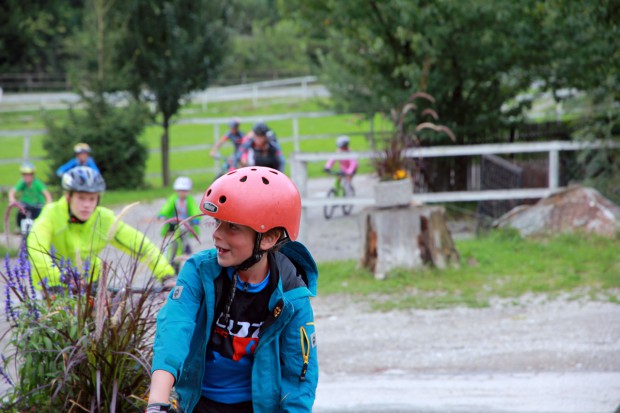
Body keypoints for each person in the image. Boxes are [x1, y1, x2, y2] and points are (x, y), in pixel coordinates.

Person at [147, 166, 318, 413]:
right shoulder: (199, 271)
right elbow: (174, 328)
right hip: (199, 403)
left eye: (233, 227)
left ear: (268, 238)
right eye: (218, 223)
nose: (216, 235)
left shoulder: (293, 296)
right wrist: (157, 404)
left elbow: (300, 377)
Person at [27, 166, 175, 292]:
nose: (87, 205)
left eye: (92, 199)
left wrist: (165, 275)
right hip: (54, 285)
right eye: (81, 198)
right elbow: (36, 248)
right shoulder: (50, 215)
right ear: (68, 196)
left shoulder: (103, 219)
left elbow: (139, 244)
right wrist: (62, 277)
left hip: (91, 282)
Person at [157, 176, 202, 270]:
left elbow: (194, 209)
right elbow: (167, 207)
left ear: (188, 191)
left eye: (185, 191)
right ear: (176, 190)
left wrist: (195, 219)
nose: (182, 193)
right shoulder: (174, 199)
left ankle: (186, 248)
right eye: (180, 190)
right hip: (174, 223)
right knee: (171, 241)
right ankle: (170, 258)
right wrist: (162, 214)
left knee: (184, 236)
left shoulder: (189, 200)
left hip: (185, 224)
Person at [8, 162, 53, 231]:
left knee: (40, 218)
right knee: (20, 214)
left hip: (38, 205)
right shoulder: (22, 182)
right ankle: (19, 228)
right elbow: (12, 191)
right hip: (26, 204)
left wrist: (48, 203)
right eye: (25, 175)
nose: (27, 177)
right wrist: (12, 199)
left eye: (29, 175)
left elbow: (47, 194)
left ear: (32, 175)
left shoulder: (37, 183)